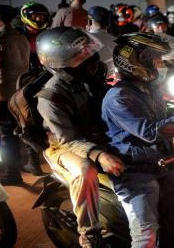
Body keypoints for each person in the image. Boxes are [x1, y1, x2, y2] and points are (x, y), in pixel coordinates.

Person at [101, 32, 174, 247]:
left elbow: (164, 119)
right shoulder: (118, 98)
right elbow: (149, 131)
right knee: (146, 235)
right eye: (156, 60)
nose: (160, 65)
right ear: (137, 62)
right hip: (134, 172)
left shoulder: (148, 89)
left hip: (163, 162)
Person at [35, 27, 125, 248]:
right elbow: (68, 139)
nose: (90, 61)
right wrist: (99, 154)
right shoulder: (50, 96)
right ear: (59, 65)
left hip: (96, 135)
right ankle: (88, 233)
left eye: (88, 54)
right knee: (85, 170)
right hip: (63, 145)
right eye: (79, 59)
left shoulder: (92, 76)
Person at [0, 5, 30, 185]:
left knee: (7, 136)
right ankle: (24, 165)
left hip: (4, 96)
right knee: (20, 132)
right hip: (22, 94)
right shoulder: (21, 37)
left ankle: (12, 174)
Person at [17, 1, 50, 175]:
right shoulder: (19, 36)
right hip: (23, 83)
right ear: (26, 17)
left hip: (45, 79)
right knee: (27, 119)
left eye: (42, 16)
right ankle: (33, 161)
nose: (38, 19)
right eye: (35, 16)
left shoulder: (47, 35)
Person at [87, 6, 116, 77]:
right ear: (108, 23)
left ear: (90, 21)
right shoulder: (116, 41)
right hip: (112, 81)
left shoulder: (86, 39)